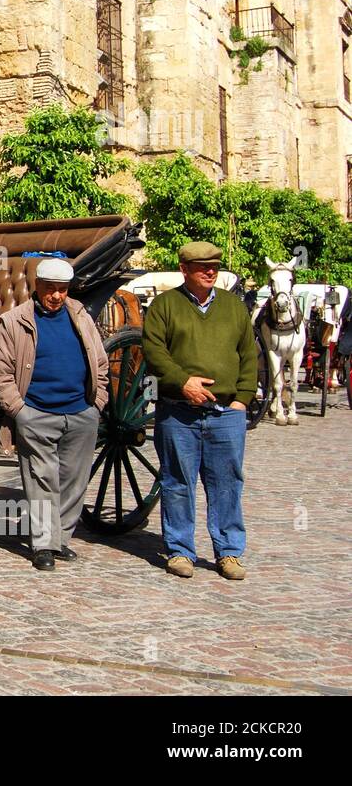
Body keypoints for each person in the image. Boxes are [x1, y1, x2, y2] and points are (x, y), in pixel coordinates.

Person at [142, 241, 256, 581]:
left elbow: (249, 354)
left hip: (226, 413)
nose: (210, 271)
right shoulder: (165, 306)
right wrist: (183, 382)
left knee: (227, 484)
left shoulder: (233, 308)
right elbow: (154, 352)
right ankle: (180, 550)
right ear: (184, 269)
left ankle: (229, 552)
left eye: (214, 266)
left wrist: (242, 400)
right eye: (202, 266)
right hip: (179, 412)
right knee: (177, 482)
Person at [0, 258, 109, 571]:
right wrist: (19, 411)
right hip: (37, 412)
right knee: (41, 480)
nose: (56, 296)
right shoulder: (14, 321)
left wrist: (97, 403)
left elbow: (100, 361)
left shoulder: (80, 315)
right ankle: (43, 544)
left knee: (74, 480)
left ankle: (61, 540)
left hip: (81, 411)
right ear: (37, 287)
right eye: (51, 289)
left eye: (62, 290)